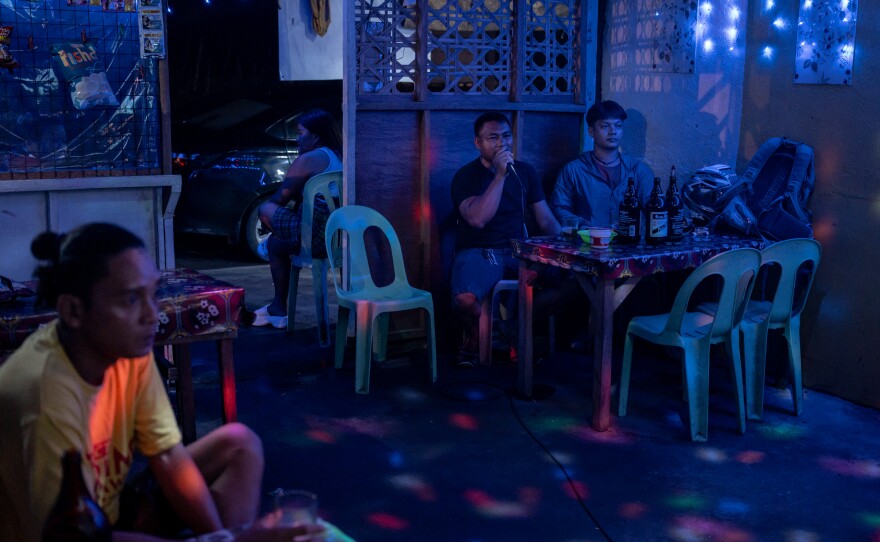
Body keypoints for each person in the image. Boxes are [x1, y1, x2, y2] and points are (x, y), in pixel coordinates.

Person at [0, 223, 323, 541]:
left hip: (112, 507)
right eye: (130, 300)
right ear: (73, 310)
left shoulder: (125, 349)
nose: (152, 315)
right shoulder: (45, 396)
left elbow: (167, 455)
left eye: (153, 294)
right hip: (64, 532)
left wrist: (221, 538)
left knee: (240, 442)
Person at [450, 112, 571, 368]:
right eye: (492, 138)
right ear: (478, 143)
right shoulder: (466, 176)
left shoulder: (525, 172)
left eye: (506, 136)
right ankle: (474, 341)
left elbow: (546, 220)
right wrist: (499, 176)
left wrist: (568, 246)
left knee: (574, 281)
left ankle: (514, 327)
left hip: (519, 250)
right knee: (464, 299)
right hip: (480, 250)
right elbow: (478, 219)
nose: (501, 143)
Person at [252, 108, 343, 329]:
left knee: (264, 209)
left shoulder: (311, 158)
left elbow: (279, 200)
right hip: (339, 238)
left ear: (316, 136)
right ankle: (277, 309)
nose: (297, 138)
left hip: (314, 236)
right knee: (275, 244)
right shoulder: (339, 155)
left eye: (301, 133)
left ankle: (278, 309)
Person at [550, 100, 655, 228]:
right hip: (588, 242)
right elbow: (559, 207)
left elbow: (654, 209)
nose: (613, 132)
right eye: (605, 126)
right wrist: (583, 225)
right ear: (591, 131)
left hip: (631, 243)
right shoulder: (574, 170)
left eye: (618, 126)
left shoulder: (638, 170)